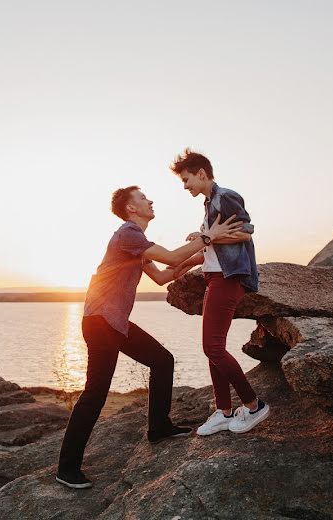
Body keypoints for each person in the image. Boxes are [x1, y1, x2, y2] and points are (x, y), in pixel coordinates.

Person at [56, 185, 243, 489]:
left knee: (162, 361)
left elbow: (162, 276)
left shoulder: (136, 243)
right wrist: (209, 236)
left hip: (115, 323)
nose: (150, 200)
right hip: (101, 322)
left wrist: (198, 259)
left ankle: (159, 427)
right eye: (143, 198)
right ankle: (66, 469)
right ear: (131, 208)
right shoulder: (128, 233)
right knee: (95, 395)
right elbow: (169, 258)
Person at [170, 149, 270, 437]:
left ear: (202, 174)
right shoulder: (209, 203)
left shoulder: (225, 196)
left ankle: (254, 405)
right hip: (215, 278)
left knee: (212, 348)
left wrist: (208, 236)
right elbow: (211, 247)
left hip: (229, 279)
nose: (185, 186)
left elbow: (246, 232)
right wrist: (185, 263)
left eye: (187, 180)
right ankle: (224, 412)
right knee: (214, 347)